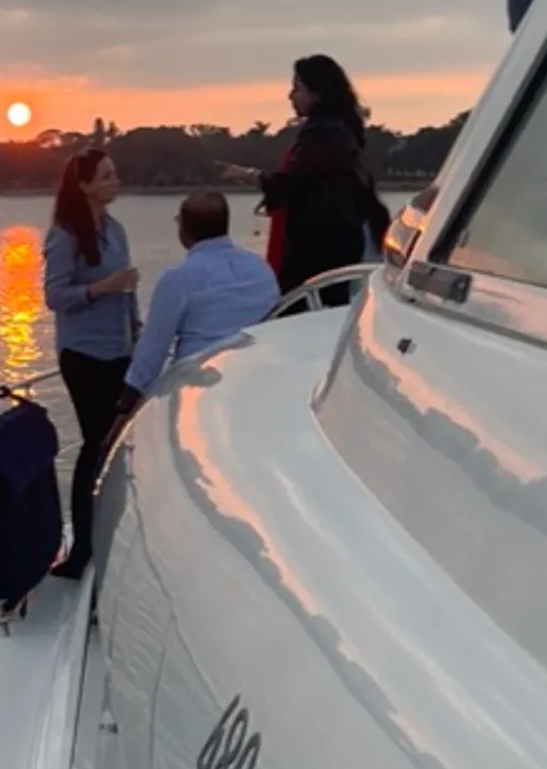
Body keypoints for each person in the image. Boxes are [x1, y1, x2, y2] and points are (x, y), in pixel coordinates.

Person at [42, 147, 138, 577]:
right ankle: (82, 547)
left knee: (118, 443)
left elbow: (127, 288)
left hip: (120, 349)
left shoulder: (115, 230)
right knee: (96, 442)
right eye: (106, 176)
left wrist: (137, 331)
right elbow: (54, 296)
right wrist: (101, 288)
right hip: (83, 354)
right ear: (83, 185)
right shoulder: (65, 236)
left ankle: (112, 533)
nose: (115, 181)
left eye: (114, 174)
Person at [116, 192, 278, 416]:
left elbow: (151, 354)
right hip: (253, 379)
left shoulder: (179, 279)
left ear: (184, 229)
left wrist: (125, 407)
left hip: (199, 392)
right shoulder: (260, 269)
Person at [255, 56, 387, 300]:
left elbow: (295, 182)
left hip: (318, 247)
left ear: (318, 93)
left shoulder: (325, 134)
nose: (291, 96)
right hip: (338, 241)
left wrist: (250, 177)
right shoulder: (340, 131)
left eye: (297, 88)